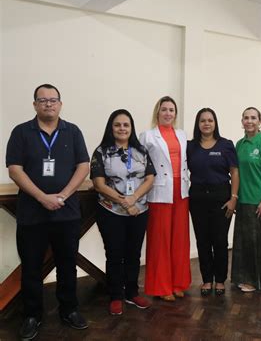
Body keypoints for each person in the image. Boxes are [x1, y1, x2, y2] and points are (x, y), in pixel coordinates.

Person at [6, 84, 89, 340]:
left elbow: (83, 166)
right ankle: (32, 315)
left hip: (66, 212)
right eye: (43, 100)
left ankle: (69, 309)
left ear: (60, 104)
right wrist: (42, 198)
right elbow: (15, 169)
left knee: (67, 265)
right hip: (33, 213)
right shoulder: (21, 132)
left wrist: (62, 195)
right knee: (31, 267)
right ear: (35, 105)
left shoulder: (72, 131)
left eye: (53, 100)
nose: (48, 104)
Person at [90, 109, 155, 315]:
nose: (122, 128)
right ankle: (116, 295)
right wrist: (125, 202)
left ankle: (132, 292)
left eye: (126, 125)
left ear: (131, 128)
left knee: (134, 253)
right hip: (111, 211)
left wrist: (134, 199)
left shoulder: (141, 151)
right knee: (115, 253)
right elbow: (99, 184)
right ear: (111, 127)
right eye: (118, 125)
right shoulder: (101, 152)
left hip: (139, 210)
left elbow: (150, 178)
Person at [140, 96, 191, 301]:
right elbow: (141, 164)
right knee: (160, 239)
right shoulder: (147, 136)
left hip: (181, 190)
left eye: (171, 110)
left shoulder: (182, 134)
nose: (168, 113)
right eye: (164, 110)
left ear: (175, 114)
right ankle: (161, 287)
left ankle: (178, 283)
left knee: (180, 238)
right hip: (159, 191)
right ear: (157, 112)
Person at [187, 108, 239, 296]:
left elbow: (234, 172)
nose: (206, 123)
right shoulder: (190, 146)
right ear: (198, 124)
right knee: (202, 240)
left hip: (222, 198)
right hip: (198, 198)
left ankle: (220, 279)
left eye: (210, 120)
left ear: (215, 123)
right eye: (203, 120)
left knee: (219, 240)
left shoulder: (226, 145)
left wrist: (234, 198)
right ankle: (207, 279)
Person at [231, 107, 261, 292]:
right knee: (242, 243)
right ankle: (242, 278)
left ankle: (257, 281)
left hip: (258, 201)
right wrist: (234, 197)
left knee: (258, 245)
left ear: (260, 121)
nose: (249, 121)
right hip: (242, 201)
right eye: (246, 118)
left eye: (253, 118)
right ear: (242, 121)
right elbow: (235, 173)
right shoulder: (239, 144)